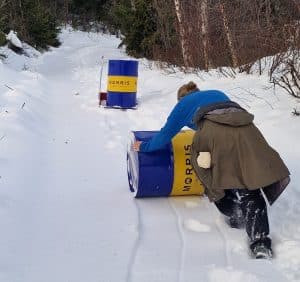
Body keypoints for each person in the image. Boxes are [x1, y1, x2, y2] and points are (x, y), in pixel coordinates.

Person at [133, 81, 290, 259]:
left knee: (209, 172)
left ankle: (234, 210)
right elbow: (227, 120)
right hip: (248, 129)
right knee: (248, 180)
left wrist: (143, 146)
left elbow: (163, 137)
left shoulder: (182, 105)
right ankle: (260, 243)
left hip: (216, 134)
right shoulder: (217, 93)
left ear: (181, 98)